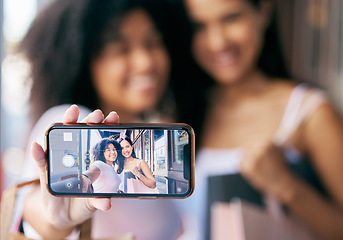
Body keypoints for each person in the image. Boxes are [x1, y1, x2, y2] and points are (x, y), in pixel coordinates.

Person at [176, 0, 343, 239]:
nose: (217, 41)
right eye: (199, 26)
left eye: (231, 18)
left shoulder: (309, 113)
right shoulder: (185, 114)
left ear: (263, 11)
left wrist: (288, 187)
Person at [17, 0, 183, 239]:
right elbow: (37, 206)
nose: (145, 61)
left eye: (153, 42)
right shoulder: (73, 122)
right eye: (120, 48)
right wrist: (54, 221)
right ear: (83, 59)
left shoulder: (148, 146)